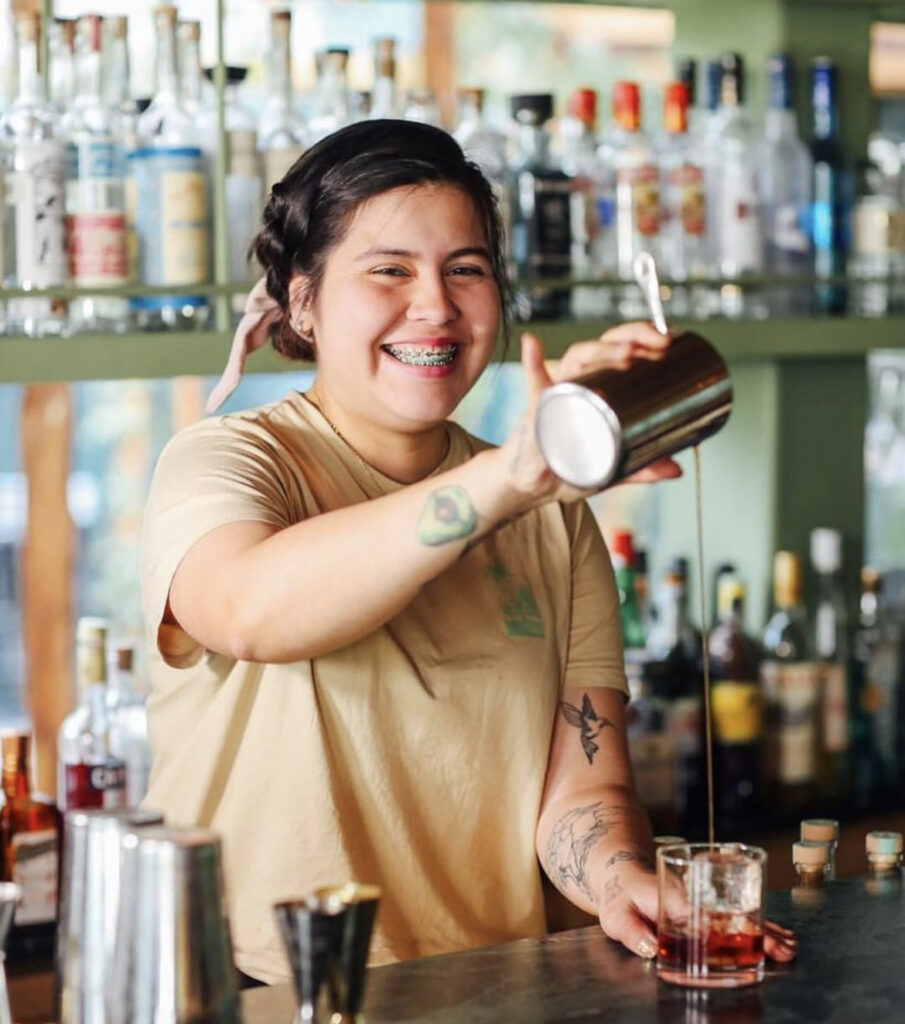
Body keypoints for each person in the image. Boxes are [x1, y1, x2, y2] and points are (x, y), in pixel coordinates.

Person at [140, 119, 797, 984]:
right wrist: (512, 480)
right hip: (263, 988)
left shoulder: (550, 514)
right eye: (388, 270)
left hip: (488, 987)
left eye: (466, 270)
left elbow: (585, 788)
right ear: (302, 299)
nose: (436, 307)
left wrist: (619, 878)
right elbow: (253, 611)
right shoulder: (232, 462)